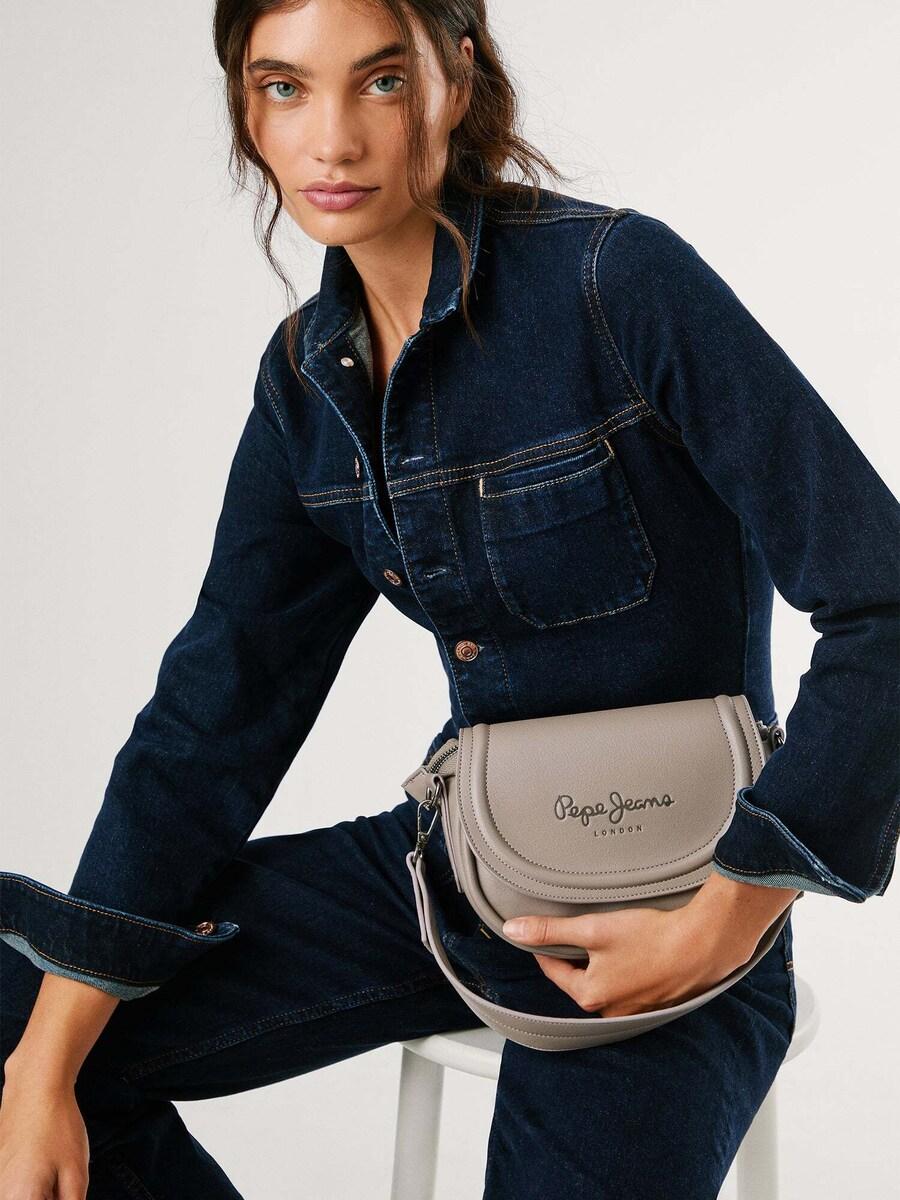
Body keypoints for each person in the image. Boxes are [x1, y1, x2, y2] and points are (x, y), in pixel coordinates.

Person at [1, 2, 897, 1197]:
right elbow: (216, 714)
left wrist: (729, 915)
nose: (332, 140)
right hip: (456, 871)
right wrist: (42, 1067)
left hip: (669, 904)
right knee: (15, 1008)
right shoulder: (305, 386)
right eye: (284, 87)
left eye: (379, 81)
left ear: (456, 78)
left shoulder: (615, 283)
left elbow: (882, 601)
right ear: (247, 111)